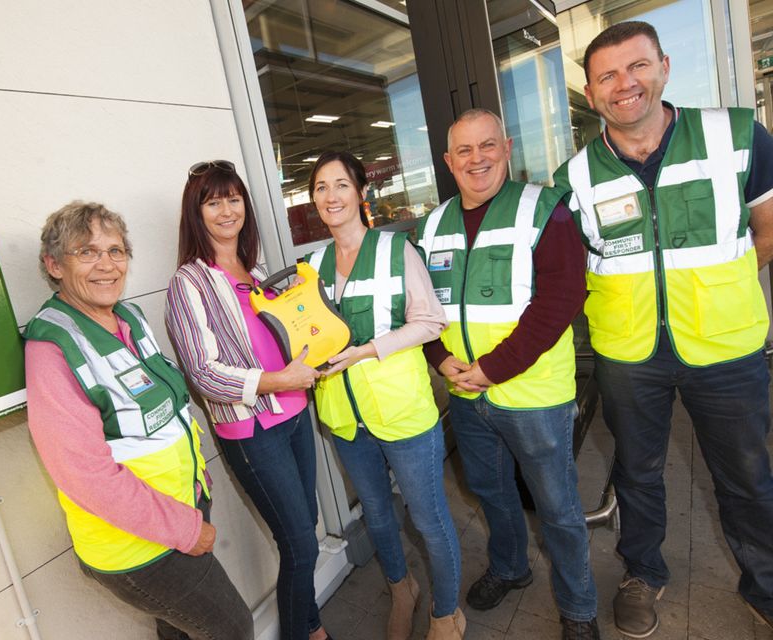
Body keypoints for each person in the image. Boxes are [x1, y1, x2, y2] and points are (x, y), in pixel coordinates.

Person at [553, 20, 773, 638]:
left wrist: (717, 290)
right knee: (637, 471)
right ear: (591, 94)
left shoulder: (734, 135)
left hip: (726, 347)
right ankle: (642, 572)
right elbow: (567, 274)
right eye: (607, 77)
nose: (625, 85)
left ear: (664, 67)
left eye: (637, 67)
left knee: (748, 477)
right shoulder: (574, 179)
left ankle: (766, 586)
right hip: (628, 354)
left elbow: (769, 229)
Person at [24, 201, 253, 640]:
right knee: (233, 628)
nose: (106, 265)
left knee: (181, 632)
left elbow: (161, 410)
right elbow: (86, 474)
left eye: (116, 251)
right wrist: (188, 530)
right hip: (137, 545)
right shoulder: (52, 349)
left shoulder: (127, 317)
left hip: (173, 516)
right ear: (53, 265)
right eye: (86, 252)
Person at [416, 109, 600, 640]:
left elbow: (562, 298)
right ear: (449, 162)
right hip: (467, 394)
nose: (478, 159)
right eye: (465, 151)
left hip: (534, 395)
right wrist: (439, 357)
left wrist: (493, 369)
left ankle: (579, 608)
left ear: (507, 147)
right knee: (490, 490)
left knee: (557, 506)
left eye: (487, 146)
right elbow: (421, 305)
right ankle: (511, 567)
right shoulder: (432, 224)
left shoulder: (544, 209)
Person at [164, 161, 330, 640]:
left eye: (233, 198)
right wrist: (280, 380)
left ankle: (312, 627)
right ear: (196, 213)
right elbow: (204, 373)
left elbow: (278, 341)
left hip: (297, 416)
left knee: (308, 529)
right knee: (300, 544)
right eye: (212, 201)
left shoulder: (258, 271)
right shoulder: (189, 283)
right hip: (252, 431)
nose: (226, 210)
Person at [304, 150, 465, 640]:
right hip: (347, 419)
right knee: (376, 515)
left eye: (341, 185)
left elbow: (430, 321)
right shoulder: (312, 266)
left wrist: (368, 350)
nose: (330, 197)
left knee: (429, 518)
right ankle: (402, 589)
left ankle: (446, 613)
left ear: (360, 193)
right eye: (320, 188)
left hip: (404, 412)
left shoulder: (397, 251)